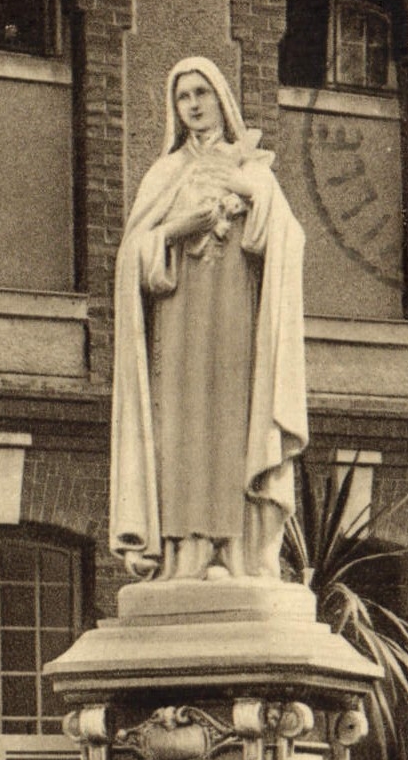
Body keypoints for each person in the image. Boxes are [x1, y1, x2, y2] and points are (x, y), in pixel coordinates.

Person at [110, 57, 308, 581]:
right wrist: (178, 227)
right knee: (180, 428)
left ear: (222, 99)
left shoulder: (251, 167)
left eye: (202, 93)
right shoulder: (165, 172)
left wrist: (246, 191)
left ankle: (239, 550)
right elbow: (132, 258)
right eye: (183, 97)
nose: (194, 105)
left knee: (233, 423)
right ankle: (187, 552)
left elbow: (287, 241)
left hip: (236, 318)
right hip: (178, 325)